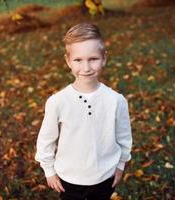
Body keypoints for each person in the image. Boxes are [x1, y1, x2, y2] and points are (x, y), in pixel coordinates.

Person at [34, 22, 133, 200]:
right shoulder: (58, 102)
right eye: (78, 60)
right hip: (69, 178)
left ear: (104, 58)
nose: (86, 68)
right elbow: (46, 139)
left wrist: (120, 165)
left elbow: (124, 137)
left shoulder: (116, 101)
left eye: (93, 59)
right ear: (68, 61)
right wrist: (49, 170)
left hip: (105, 176)